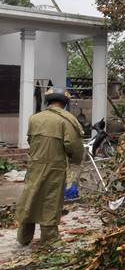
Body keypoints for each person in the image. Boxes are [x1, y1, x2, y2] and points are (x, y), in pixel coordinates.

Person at [15, 87, 84, 246]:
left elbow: (31, 141)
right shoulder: (66, 120)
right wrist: (75, 160)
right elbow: (74, 146)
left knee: (30, 197)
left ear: (48, 101)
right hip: (55, 167)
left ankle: (23, 237)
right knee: (50, 201)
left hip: (34, 165)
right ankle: (50, 239)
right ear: (64, 102)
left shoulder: (34, 118)